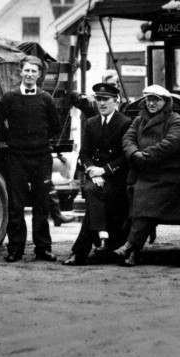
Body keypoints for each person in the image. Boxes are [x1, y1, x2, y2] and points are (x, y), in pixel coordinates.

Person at [113, 84, 180, 267]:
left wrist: (145, 156)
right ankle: (131, 252)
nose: (152, 103)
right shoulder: (140, 120)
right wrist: (134, 154)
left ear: (166, 102)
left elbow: (170, 144)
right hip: (143, 171)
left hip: (167, 175)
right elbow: (128, 139)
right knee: (136, 196)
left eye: (156, 99)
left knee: (145, 198)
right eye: (149, 99)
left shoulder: (176, 120)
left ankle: (130, 245)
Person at [0, 55, 62, 262]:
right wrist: (14, 140)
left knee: (42, 204)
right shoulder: (9, 97)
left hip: (41, 157)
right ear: (20, 72)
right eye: (27, 70)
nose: (30, 74)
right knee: (16, 204)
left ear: (39, 74)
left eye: (34, 71)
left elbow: (55, 126)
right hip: (17, 157)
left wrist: (38, 141)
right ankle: (15, 249)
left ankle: (43, 248)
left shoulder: (46, 99)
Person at [62, 80, 131, 266]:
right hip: (96, 177)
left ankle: (83, 249)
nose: (102, 103)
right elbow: (84, 153)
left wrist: (105, 170)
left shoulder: (124, 123)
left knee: (93, 194)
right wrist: (93, 170)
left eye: (106, 99)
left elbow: (126, 157)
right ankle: (101, 238)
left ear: (115, 101)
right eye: (99, 99)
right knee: (93, 189)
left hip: (116, 178)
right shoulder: (91, 123)